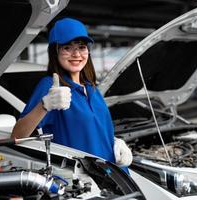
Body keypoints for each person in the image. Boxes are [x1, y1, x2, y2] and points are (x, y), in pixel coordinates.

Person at [11, 18, 132, 170]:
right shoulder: (50, 86)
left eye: (81, 47)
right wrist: (45, 105)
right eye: (67, 47)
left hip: (116, 177)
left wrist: (116, 142)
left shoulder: (92, 88)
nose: (76, 54)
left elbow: (92, 130)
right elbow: (16, 136)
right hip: (85, 182)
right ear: (55, 52)